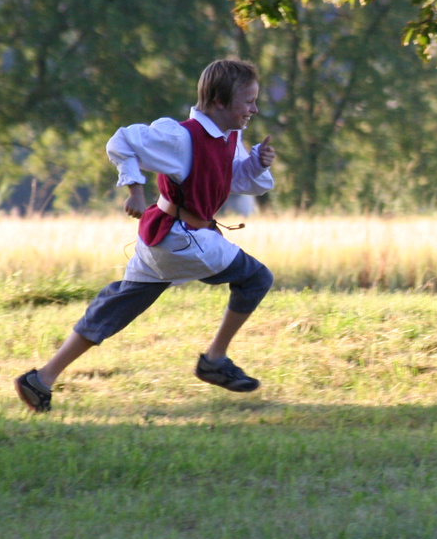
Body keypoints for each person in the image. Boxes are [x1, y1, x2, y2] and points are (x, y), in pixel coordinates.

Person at [14, 59, 277, 412]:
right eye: (248, 101)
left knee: (117, 303)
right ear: (219, 102)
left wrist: (257, 164)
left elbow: (236, 181)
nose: (254, 109)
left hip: (166, 238)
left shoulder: (230, 135)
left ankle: (41, 379)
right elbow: (121, 142)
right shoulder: (180, 136)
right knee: (257, 278)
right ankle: (215, 360)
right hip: (184, 242)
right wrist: (135, 191)